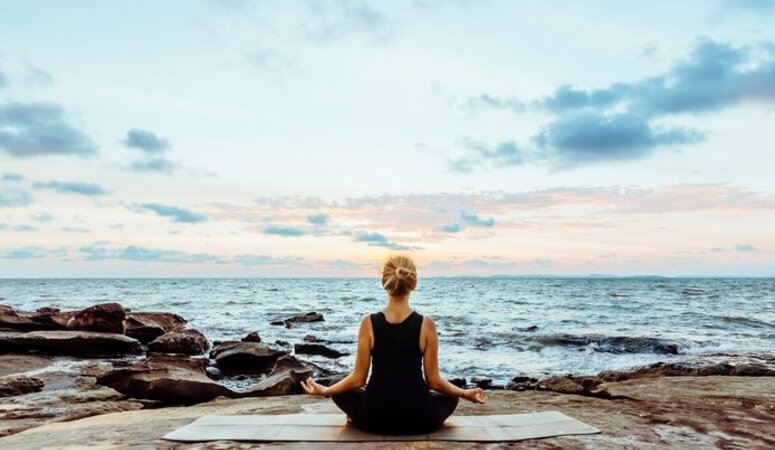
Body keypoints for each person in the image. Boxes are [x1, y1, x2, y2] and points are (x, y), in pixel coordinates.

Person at [300, 254, 486, 435]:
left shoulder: (368, 323)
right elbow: (434, 381)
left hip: (373, 419)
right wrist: (465, 393)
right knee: (452, 393)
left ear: (384, 282)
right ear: (414, 283)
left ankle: (354, 416)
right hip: (420, 419)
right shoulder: (426, 324)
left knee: (337, 386)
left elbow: (358, 379)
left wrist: (325, 391)